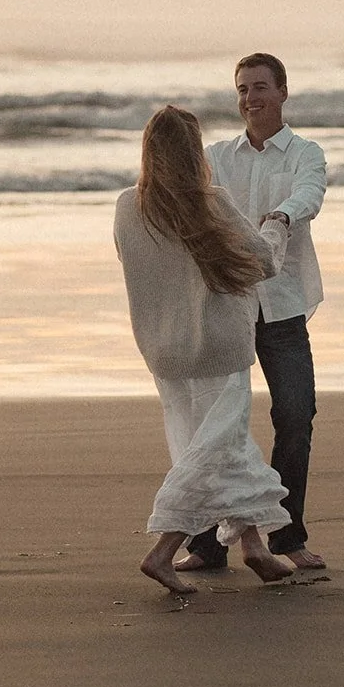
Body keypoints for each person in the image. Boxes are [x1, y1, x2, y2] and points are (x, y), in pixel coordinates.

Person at [114, 105, 296, 597]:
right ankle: (161, 550)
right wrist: (277, 223)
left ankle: (255, 547)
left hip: (163, 349)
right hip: (218, 345)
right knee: (215, 445)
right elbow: (261, 261)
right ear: (194, 153)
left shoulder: (128, 205)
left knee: (214, 444)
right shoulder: (210, 201)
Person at [176, 52, 327, 574]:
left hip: (283, 309)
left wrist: (284, 214)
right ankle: (207, 545)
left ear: (282, 92)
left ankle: (286, 537)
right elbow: (191, 202)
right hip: (229, 305)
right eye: (242, 89)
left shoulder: (305, 154)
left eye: (260, 87)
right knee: (219, 424)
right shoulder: (218, 156)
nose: (250, 98)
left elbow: (310, 194)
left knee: (294, 415)